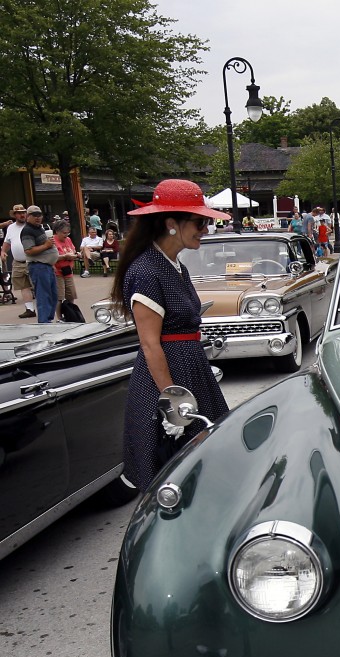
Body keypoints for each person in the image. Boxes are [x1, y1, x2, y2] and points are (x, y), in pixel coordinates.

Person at [112, 178, 232, 489]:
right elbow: (151, 345)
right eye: (200, 221)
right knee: (175, 472)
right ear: (171, 224)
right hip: (169, 378)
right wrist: (172, 401)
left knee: (204, 459)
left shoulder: (174, 266)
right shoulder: (146, 270)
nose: (205, 228)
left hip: (190, 368)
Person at [21, 205, 59, 323]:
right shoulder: (27, 230)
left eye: (39, 215)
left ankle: (48, 320)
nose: (38, 218)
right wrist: (46, 245)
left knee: (53, 295)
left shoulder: (39, 228)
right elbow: (29, 250)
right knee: (43, 296)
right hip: (38, 267)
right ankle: (44, 323)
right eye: (34, 215)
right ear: (28, 216)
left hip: (47, 266)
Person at [1, 204, 35, 318]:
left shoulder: (31, 226)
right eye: (19, 213)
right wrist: (3, 251)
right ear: (15, 215)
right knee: (23, 286)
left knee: (37, 285)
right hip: (18, 261)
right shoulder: (10, 228)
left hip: (32, 260)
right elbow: (7, 242)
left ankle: (45, 307)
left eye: (23, 212)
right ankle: (30, 309)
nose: (22, 214)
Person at [52, 220, 79, 308]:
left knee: (71, 294)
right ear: (57, 232)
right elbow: (52, 258)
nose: (66, 235)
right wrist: (65, 257)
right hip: (57, 272)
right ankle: (59, 318)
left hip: (68, 270)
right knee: (59, 296)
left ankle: (70, 314)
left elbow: (73, 250)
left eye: (68, 232)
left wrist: (76, 255)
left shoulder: (68, 239)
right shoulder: (52, 241)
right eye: (64, 233)